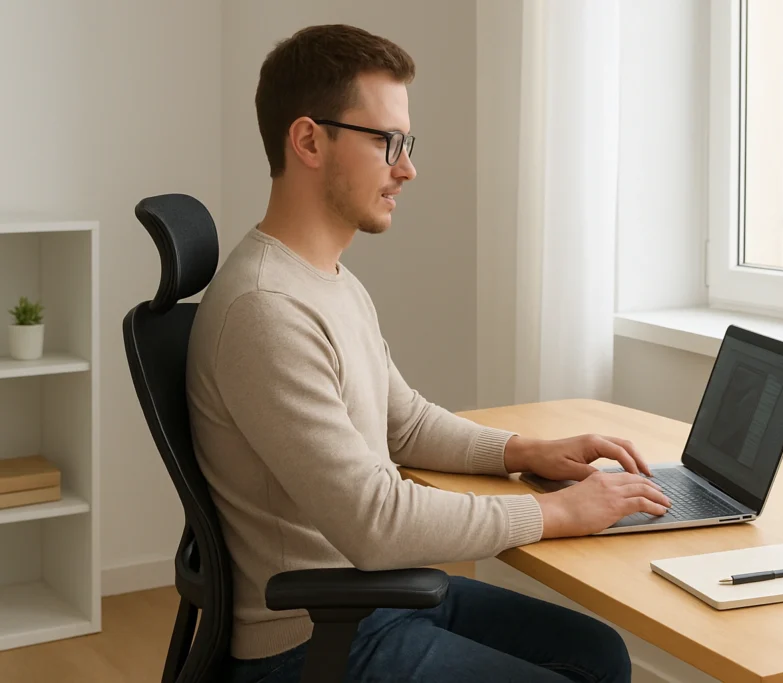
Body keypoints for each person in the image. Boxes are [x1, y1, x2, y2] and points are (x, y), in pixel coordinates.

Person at [185, 23, 671, 683]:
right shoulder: (264, 310)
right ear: (308, 140)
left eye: (405, 142)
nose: (407, 166)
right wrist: (555, 510)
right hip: (310, 643)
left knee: (600, 655)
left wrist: (523, 452)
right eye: (386, 141)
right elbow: (375, 521)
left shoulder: (329, 280)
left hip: (375, 599)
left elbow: (403, 421)